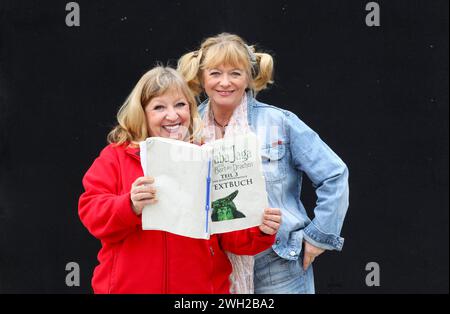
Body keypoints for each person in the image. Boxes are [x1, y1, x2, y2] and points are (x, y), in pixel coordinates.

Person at [78, 66, 281, 293]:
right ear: (142, 113)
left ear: (191, 109)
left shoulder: (208, 157)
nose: (173, 116)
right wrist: (130, 205)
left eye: (180, 105)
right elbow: (91, 214)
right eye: (159, 107)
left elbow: (232, 237)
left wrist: (261, 229)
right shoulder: (116, 156)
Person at [177, 33, 349, 294]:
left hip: (278, 260)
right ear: (202, 77)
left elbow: (334, 174)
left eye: (235, 73)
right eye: (215, 73)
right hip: (213, 263)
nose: (225, 82)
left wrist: (318, 238)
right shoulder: (188, 128)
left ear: (248, 77)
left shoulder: (279, 122)